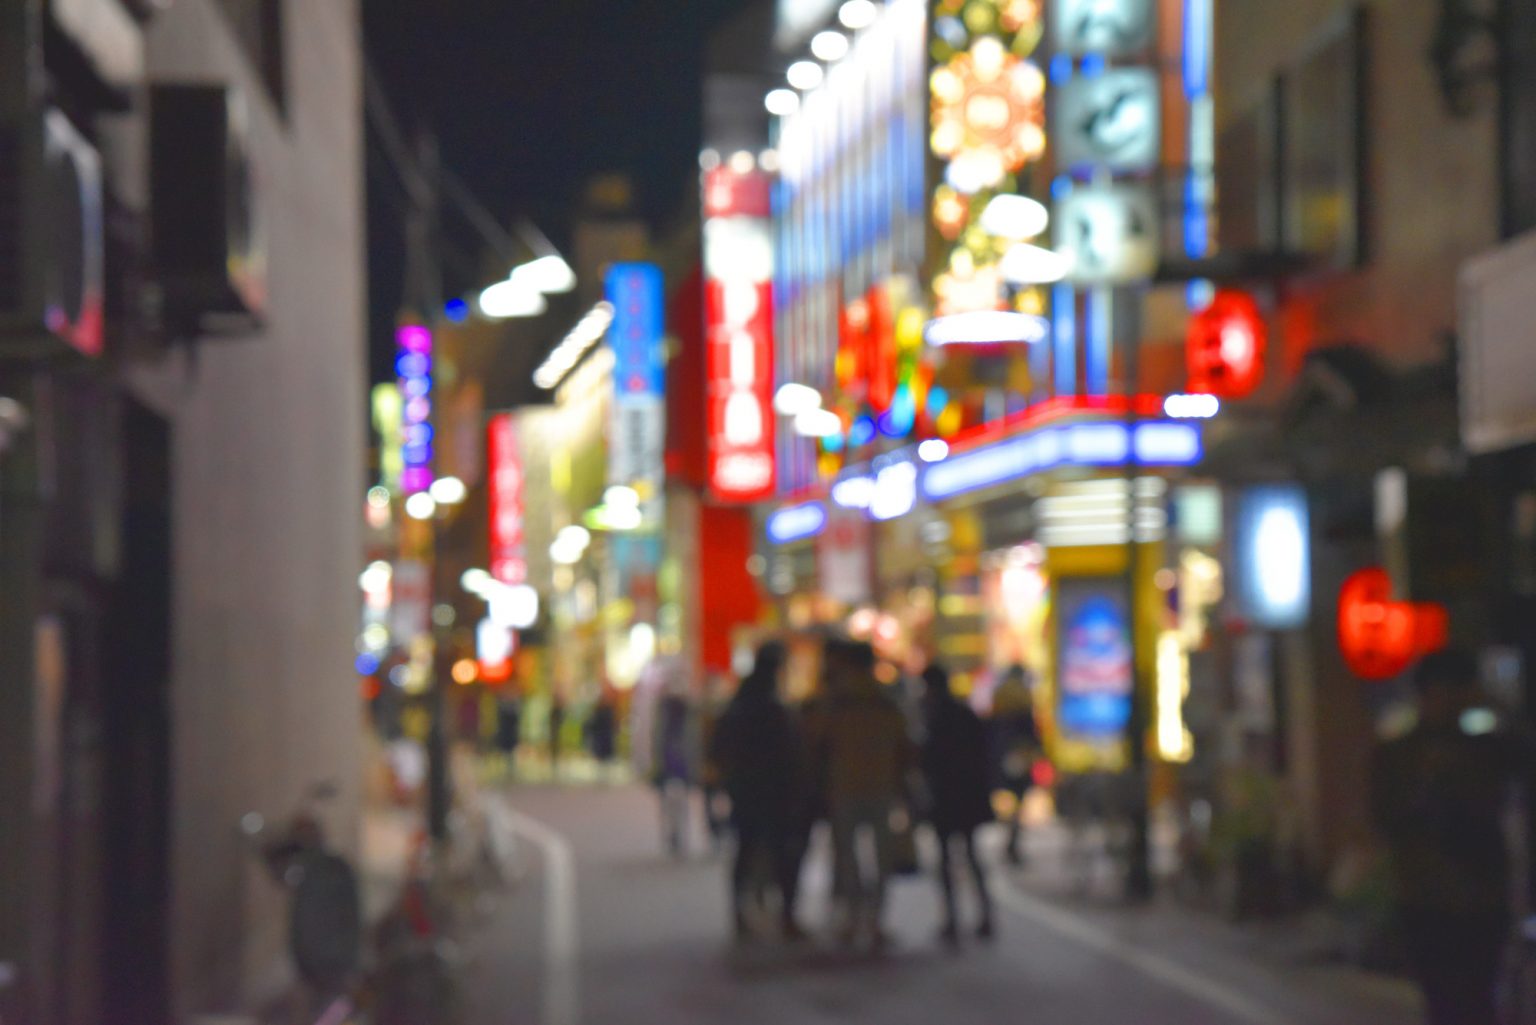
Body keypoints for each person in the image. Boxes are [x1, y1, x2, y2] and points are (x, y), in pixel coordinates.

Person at [1371, 648, 1526, 1025]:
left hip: (1480, 896)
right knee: (1447, 1002)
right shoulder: (1401, 753)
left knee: (1479, 1000)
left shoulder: (1487, 747)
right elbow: (1387, 816)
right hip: (1431, 897)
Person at [811, 639, 917, 949]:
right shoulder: (884, 700)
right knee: (881, 858)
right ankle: (875, 921)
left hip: (843, 786)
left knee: (847, 857)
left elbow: (816, 741)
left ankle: (852, 918)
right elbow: (905, 746)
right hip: (881, 786)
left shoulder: (835, 700)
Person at [709, 641, 808, 941]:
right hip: (774, 791)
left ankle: (743, 916)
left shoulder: (741, 704)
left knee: (747, 851)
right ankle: (786, 916)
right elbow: (791, 752)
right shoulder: (773, 707)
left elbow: (719, 748)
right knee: (781, 855)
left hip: (747, 790)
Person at [921, 664, 997, 944]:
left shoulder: (936, 717)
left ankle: (953, 920)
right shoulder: (964, 714)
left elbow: (929, 760)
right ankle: (984, 916)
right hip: (967, 795)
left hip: (947, 797)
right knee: (971, 857)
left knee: (947, 860)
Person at [989, 664, 1040, 865]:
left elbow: (992, 727)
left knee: (1006, 797)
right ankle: (1013, 836)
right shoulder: (1024, 697)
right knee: (1019, 800)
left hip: (1002, 754)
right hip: (1021, 754)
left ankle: (1010, 832)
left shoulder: (1000, 695)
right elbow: (1030, 730)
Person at [652, 669, 699, 858]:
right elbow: (656, 736)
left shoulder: (689, 710)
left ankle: (679, 834)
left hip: (682, 761)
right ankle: (672, 834)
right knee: (669, 802)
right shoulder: (663, 708)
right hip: (668, 760)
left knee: (680, 801)